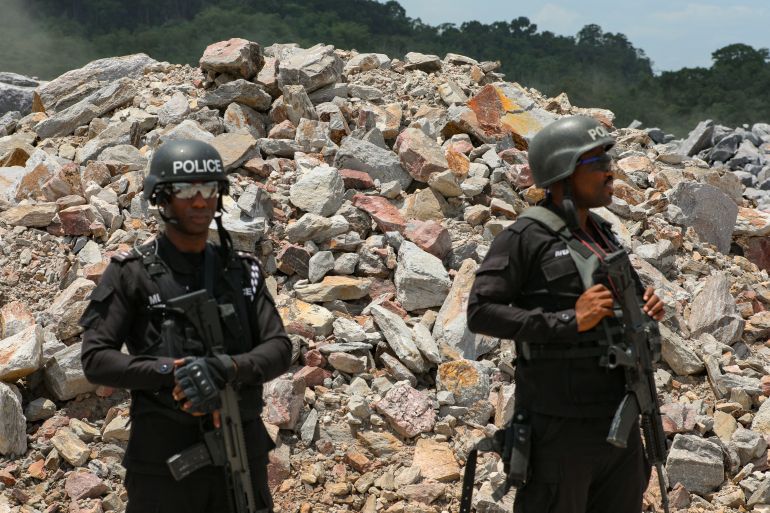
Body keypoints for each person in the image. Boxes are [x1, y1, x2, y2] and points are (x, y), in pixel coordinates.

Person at [80, 139, 292, 513]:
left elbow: (278, 348)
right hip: (163, 467)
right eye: (186, 190)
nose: (200, 201)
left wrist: (226, 368)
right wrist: (172, 373)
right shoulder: (130, 274)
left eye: (209, 189)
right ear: (162, 198)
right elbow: (96, 359)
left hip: (241, 457)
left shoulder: (243, 270)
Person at [467, 116, 665, 513]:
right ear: (562, 173)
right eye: (596, 164)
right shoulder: (525, 237)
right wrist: (567, 321)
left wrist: (645, 304)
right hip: (558, 431)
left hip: (617, 424)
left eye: (608, 162)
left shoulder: (603, 233)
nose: (610, 173)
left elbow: (623, 299)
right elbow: (480, 312)